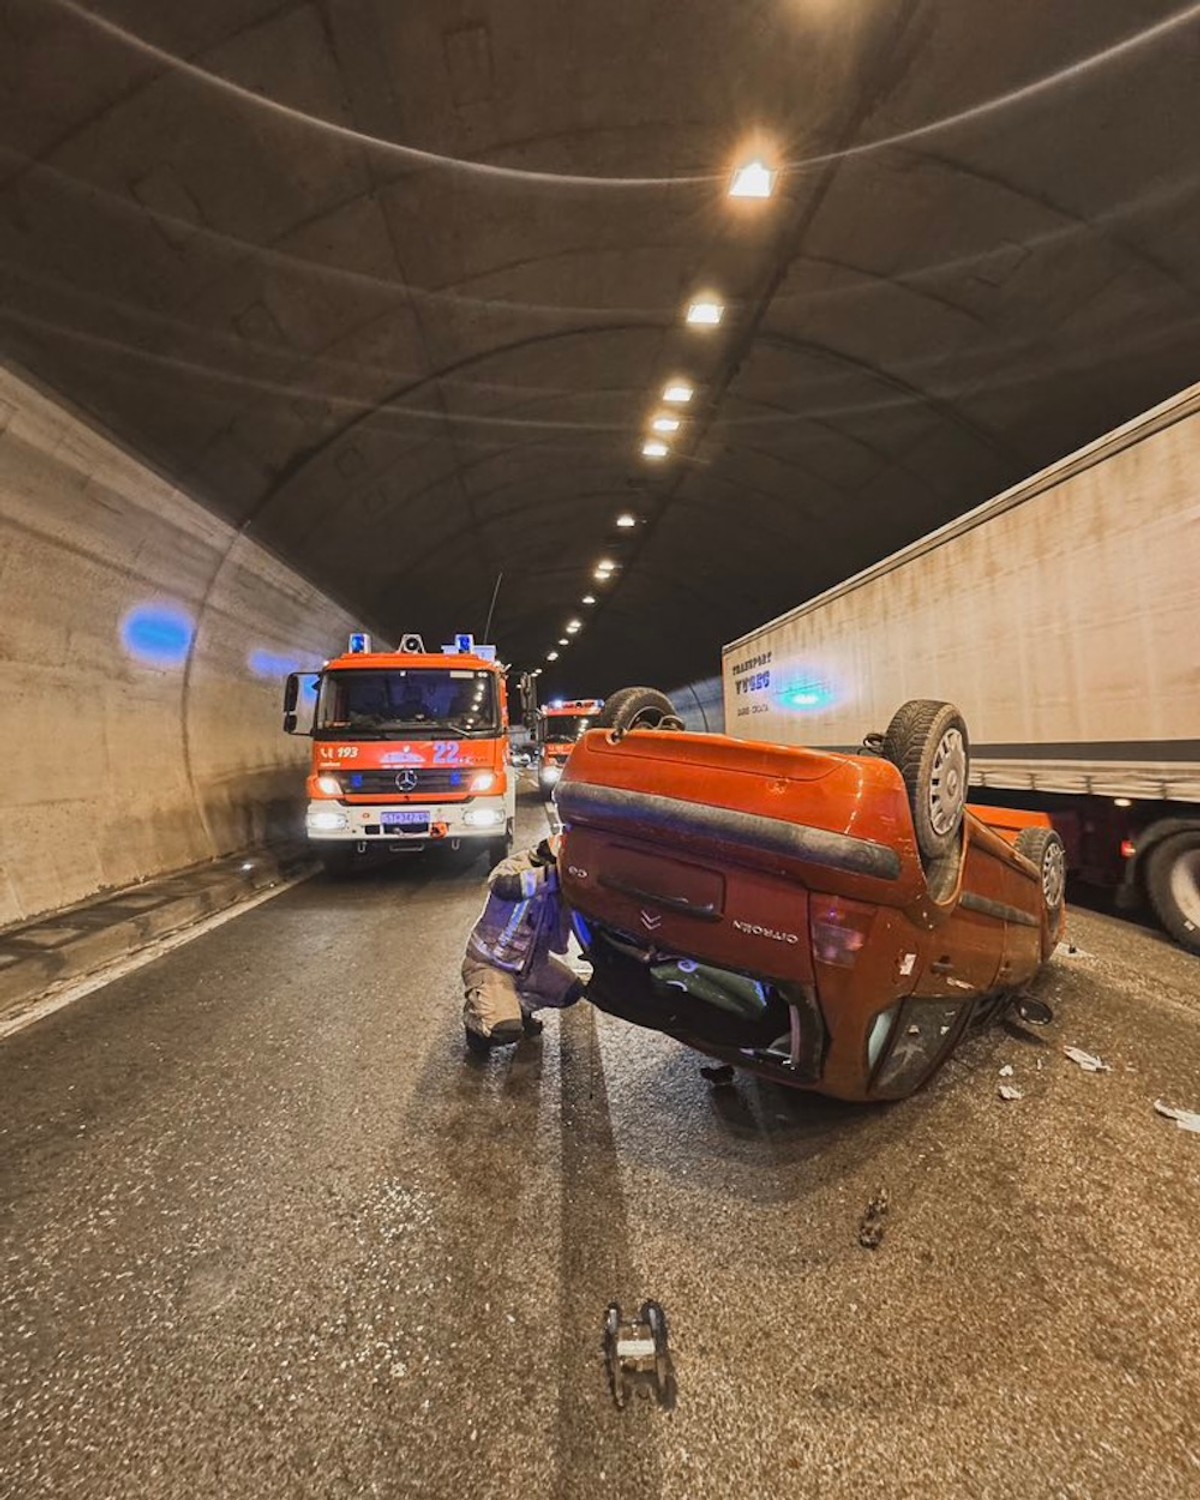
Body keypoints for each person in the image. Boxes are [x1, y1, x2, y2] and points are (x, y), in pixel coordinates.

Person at [462, 836, 584, 1053]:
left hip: (529, 966)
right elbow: (504, 885)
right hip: (489, 964)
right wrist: (553, 876)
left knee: (570, 991)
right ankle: (476, 1019)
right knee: (504, 1030)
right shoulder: (517, 866)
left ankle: (516, 1008)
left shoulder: (563, 888)